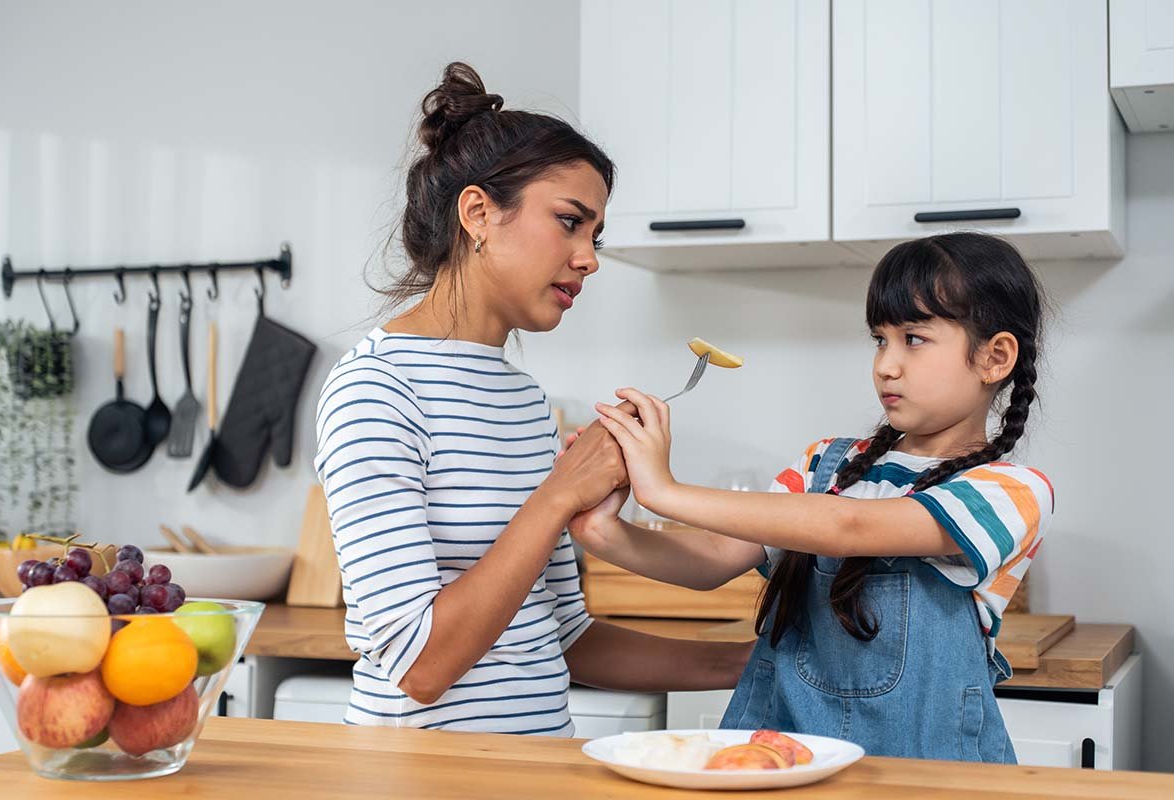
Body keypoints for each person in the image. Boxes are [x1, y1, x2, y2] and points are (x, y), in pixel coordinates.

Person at [314, 62, 750, 735]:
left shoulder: (519, 397)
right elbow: (420, 666)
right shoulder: (375, 389)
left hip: (533, 767)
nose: (589, 258)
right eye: (570, 222)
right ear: (479, 214)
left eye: (595, 235)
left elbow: (564, 636)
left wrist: (750, 662)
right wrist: (557, 497)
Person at [573, 233, 1053, 762]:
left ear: (995, 357)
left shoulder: (1011, 492)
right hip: (779, 760)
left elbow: (850, 527)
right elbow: (711, 561)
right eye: (879, 339)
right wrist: (602, 530)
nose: (886, 365)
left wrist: (664, 490)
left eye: (913, 338)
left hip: (922, 776)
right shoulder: (824, 464)